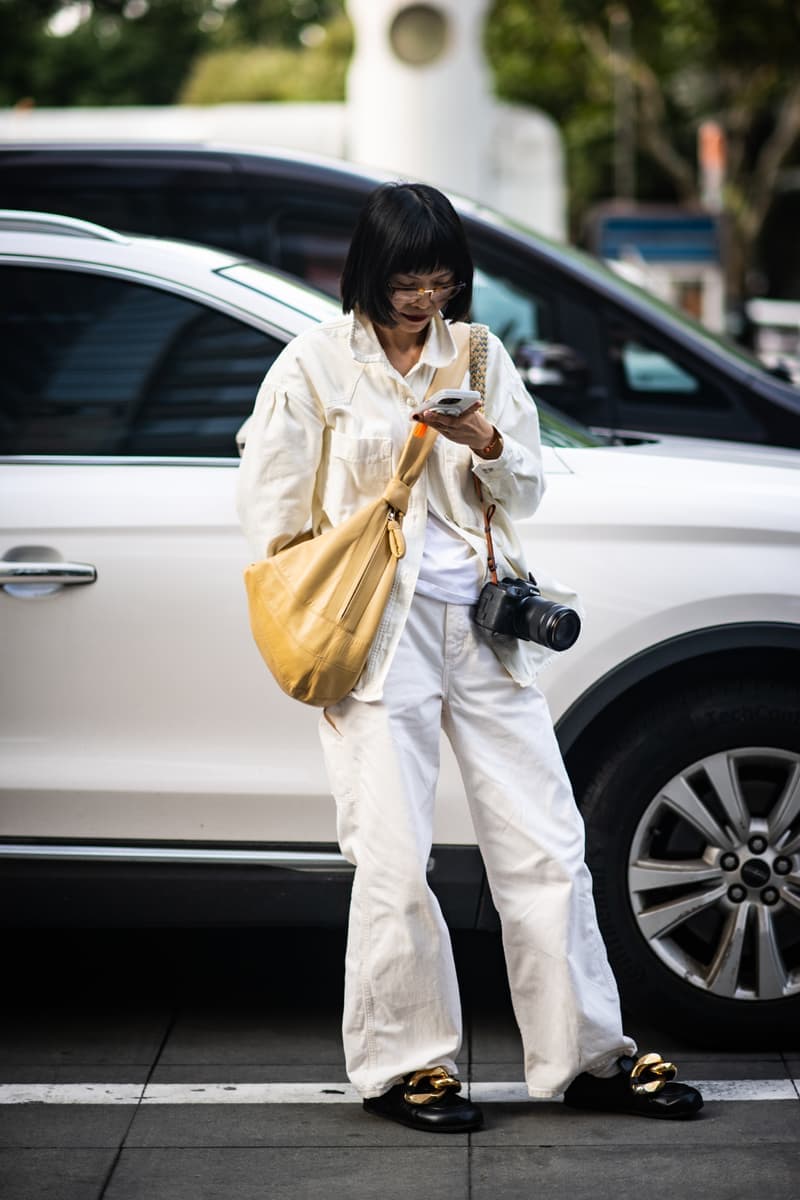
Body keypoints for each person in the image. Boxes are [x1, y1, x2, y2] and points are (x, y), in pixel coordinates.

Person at [236, 182, 703, 1133]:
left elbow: (525, 490)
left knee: (547, 843)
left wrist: (484, 438)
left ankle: (586, 1057)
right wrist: (325, 610)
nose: (426, 301)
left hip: (485, 629)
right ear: (370, 272)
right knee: (395, 857)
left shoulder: (480, 356)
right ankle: (407, 1068)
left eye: (443, 281)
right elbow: (273, 518)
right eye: (410, 281)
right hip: (378, 637)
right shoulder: (314, 366)